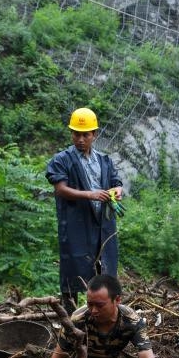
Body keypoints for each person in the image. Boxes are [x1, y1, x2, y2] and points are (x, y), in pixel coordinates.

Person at [46, 107, 124, 314]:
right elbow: (61, 189)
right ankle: (71, 317)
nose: (80, 139)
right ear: (71, 133)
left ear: (94, 135)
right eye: (76, 134)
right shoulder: (61, 160)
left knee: (105, 267)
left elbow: (117, 182)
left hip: (103, 225)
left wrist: (117, 191)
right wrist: (91, 194)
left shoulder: (104, 160)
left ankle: (106, 311)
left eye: (85, 134)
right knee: (73, 269)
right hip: (76, 225)